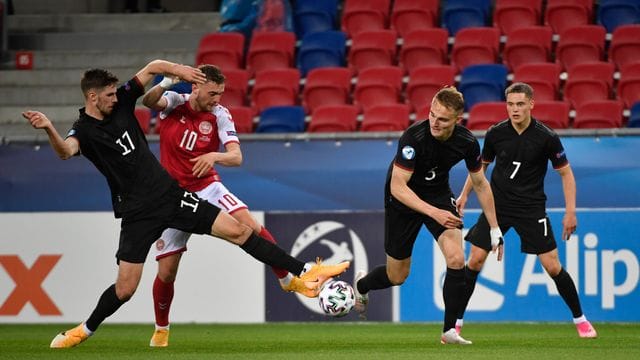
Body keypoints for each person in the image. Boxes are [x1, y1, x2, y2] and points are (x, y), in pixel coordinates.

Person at [22, 59, 349, 349]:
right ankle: (85, 329)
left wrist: (174, 71)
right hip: (137, 213)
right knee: (126, 288)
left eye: (114, 93)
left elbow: (150, 68)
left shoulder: (122, 102)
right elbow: (65, 151)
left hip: (171, 195)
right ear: (92, 97)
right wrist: (49, 127)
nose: (115, 97)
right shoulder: (84, 130)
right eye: (108, 94)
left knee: (240, 231)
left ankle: (305, 270)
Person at [141, 64, 315, 347]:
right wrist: (166, 82)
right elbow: (148, 101)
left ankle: (286, 280)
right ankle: (161, 329)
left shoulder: (220, 115)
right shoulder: (175, 102)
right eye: (212, 93)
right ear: (195, 87)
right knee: (167, 271)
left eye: (221, 93)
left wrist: (213, 156)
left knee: (250, 226)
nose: (217, 99)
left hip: (208, 186)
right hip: (172, 196)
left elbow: (236, 157)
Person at [352, 87, 504, 345]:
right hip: (403, 199)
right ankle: (362, 286)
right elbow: (398, 186)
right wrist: (435, 213)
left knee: (457, 258)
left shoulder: (466, 142)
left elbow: (480, 183)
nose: (434, 122)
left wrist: (494, 228)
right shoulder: (414, 137)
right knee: (397, 276)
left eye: (442, 119)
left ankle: (449, 331)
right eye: (432, 114)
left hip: (437, 194)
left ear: (458, 120)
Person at [455, 82, 597, 339]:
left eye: (520, 104)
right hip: (497, 206)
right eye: (510, 104)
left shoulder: (547, 137)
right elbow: (480, 170)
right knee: (475, 259)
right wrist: (465, 195)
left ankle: (581, 320)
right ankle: (455, 323)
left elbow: (566, 174)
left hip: (531, 207)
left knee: (552, 266)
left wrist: (570, 212)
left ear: (531, 104)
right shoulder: (496, 133)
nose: (515, 109)